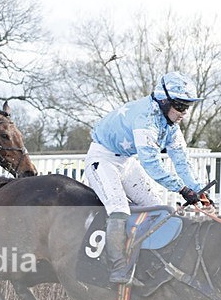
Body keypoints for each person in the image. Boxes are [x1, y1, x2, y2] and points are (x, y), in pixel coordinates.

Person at [84, 71, 209, 285]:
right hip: (101, 160)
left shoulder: (170, 125)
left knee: (159, 209)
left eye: (187, 107)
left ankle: (147, 262)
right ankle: (118, 268)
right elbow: (152, 164)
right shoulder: (146, 120)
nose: (184, 113)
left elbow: (181, 161)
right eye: (180, 106)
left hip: (126, 161)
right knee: (119, 209)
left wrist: (198, 190)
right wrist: (181, 189)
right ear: (164, 101)